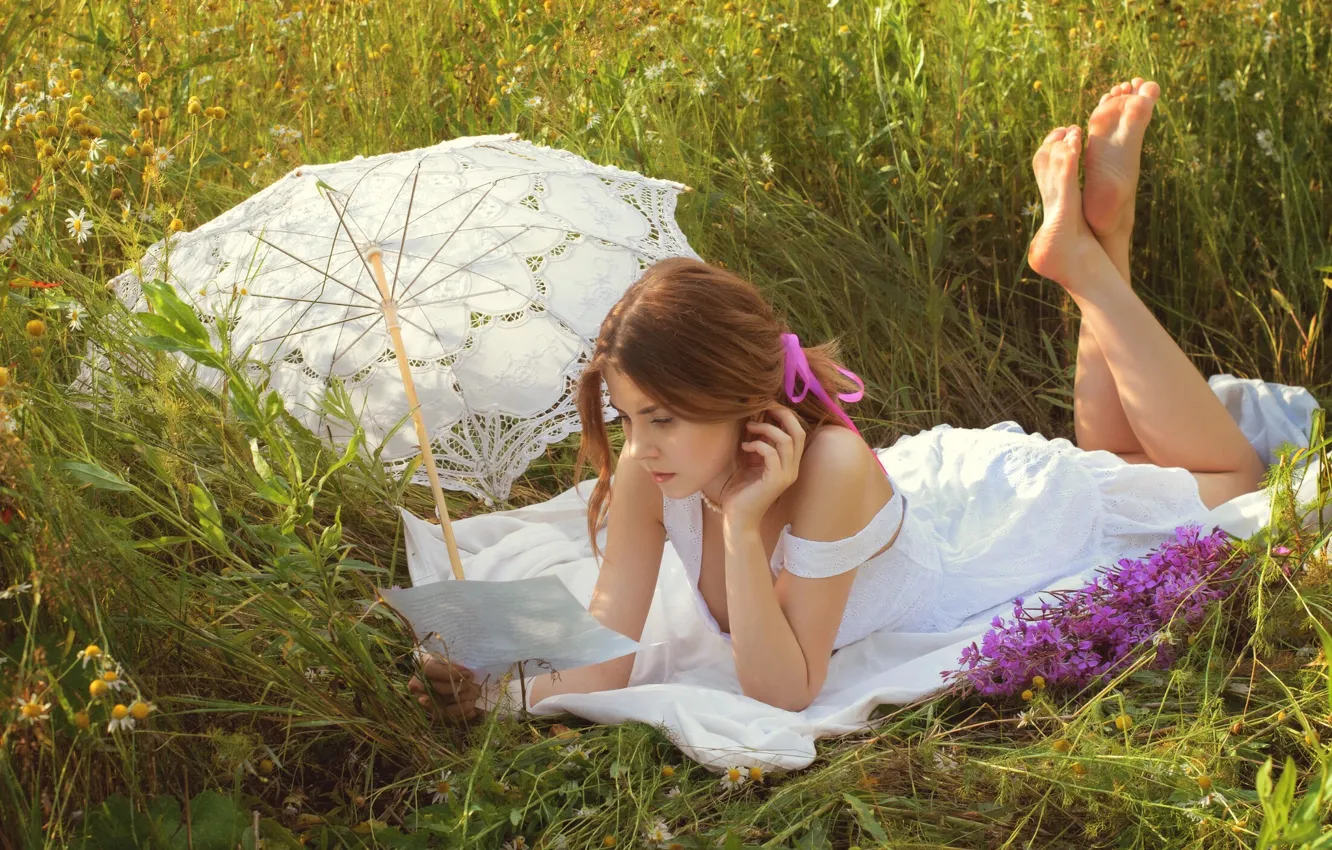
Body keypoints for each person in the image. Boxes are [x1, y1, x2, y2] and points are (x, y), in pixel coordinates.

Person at [408, 77, 1266, 724]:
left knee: (1233, 474)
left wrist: (743, 534)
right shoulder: (648, 466)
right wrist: (493, 692)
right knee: (1122, 458)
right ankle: (1099, 241)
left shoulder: (830, 465)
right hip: (939, 494)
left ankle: (1084, 264)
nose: (644, 445)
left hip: (1008, 520)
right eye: (631, 417)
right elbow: (605, 652)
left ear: (735, 397)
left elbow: (784, 689)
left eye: (665, 416)